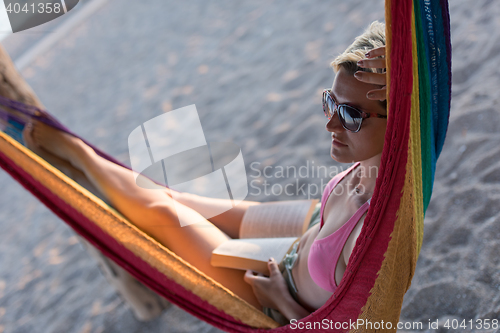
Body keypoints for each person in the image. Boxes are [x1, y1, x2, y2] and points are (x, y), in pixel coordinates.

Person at [22, 21, 388, 323]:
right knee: (175, 197)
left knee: (165, 213)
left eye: (352, 117)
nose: (331, 126)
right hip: (307, 231)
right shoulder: (377, 164)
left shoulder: (371, 237)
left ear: (400, 119)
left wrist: (284, 303)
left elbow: (356, 327)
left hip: (279, 291)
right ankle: (86, 161)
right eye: (330, 103)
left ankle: (79, 154)